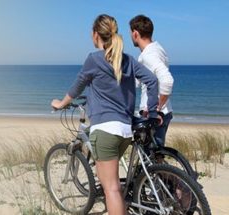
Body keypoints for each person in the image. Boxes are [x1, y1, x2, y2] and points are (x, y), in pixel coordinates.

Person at [51, 14, 159, 215]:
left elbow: (77, 87)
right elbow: (152, 81)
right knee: (110, 183)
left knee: (111, 189)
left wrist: (60, 103)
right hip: (126, 131)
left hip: (105, 131)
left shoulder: (94, 59)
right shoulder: (128, 60)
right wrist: (152, 111)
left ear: (95, 35)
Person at [129, 15, 174, 146]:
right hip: (165, 112)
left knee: (149, 159)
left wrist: (156, 109)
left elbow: (167, 80)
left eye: (131, 33)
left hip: (154, 115)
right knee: (155, 158)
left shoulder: (148, 55)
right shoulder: (157, 49)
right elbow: (137, 82)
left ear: (135, 33)